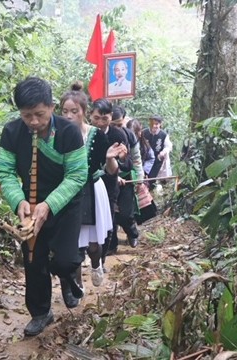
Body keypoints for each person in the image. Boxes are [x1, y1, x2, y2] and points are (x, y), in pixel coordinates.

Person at [0, 77, 88, 336]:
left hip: (65, 202)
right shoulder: (12, 132)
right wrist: (18, 200)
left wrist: (50, 204)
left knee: (65, 259)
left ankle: (68, 277)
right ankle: (41, 312)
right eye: (27, 116)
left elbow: (77, 176)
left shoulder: (69, 132)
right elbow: (4, 172)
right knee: (34, 259)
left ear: (52, 106)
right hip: (30, 204)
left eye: (39, 114)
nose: (34, 122)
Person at [59, 82, 127, 294]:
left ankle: (96, 264)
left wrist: (109, 158)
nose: (69, 116)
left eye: (74, 111)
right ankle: (77, 285)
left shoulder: (97, 136)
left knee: (93, 243)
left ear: (83, 113)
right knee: (74, 242)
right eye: (65, 111)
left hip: (92, 191)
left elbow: (110, 170)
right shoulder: (57, 135)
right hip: (67, 191)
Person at [88, 100, 132, 270]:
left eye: (104, 119)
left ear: (110, 117)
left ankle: (102, 259)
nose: (99, 123)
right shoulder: (85, 133)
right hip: (88, 183)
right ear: (90, 115)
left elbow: (127, 163)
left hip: (109, 184)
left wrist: (120, 159)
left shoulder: (118, 135)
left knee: (108, 223)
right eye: (96, 118)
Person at [107, 106, 145, 252]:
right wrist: (113, 177)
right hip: (109, 179)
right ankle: (111, 245)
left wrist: (139, 178)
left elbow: (136, 158)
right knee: (110, 214)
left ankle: (132, 233)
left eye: (119, 124)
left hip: (127, 178)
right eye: (113, 124)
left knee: (125, 213)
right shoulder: (102, 134)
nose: (116, 128)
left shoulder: (129, 135)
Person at [126, 118, 157, 225]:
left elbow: (151, 158)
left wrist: (143, 171)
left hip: (140, 177)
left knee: (143, 203)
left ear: (139, 133)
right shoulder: (124, 142)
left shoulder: (144, 145)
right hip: (127, 176)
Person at [142, 115, 173, 188]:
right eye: (152, 124)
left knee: (152, 179)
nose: (154, 126)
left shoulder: (163, 135)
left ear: (160, 124)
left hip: (157, 160)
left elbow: (168, 146)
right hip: (145, 159)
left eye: (156, 124)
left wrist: (163, 152)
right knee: (143, 177)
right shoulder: (144, 132)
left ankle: (151, 191)